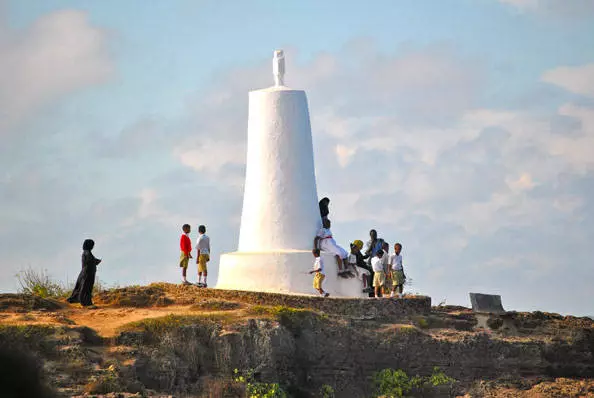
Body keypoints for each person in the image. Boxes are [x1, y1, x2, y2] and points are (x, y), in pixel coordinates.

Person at [67, 239, 101, 307]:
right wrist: (95, 261)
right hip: (87, 273)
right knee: (86, 287)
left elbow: (90, 261)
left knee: (81, 286)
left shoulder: (86, 252)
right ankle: (86, 303)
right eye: (92, 245)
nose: (93, 246)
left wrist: (95, 261)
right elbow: (89, 261)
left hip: (86, 272)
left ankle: (77, 299)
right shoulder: (87, 252)